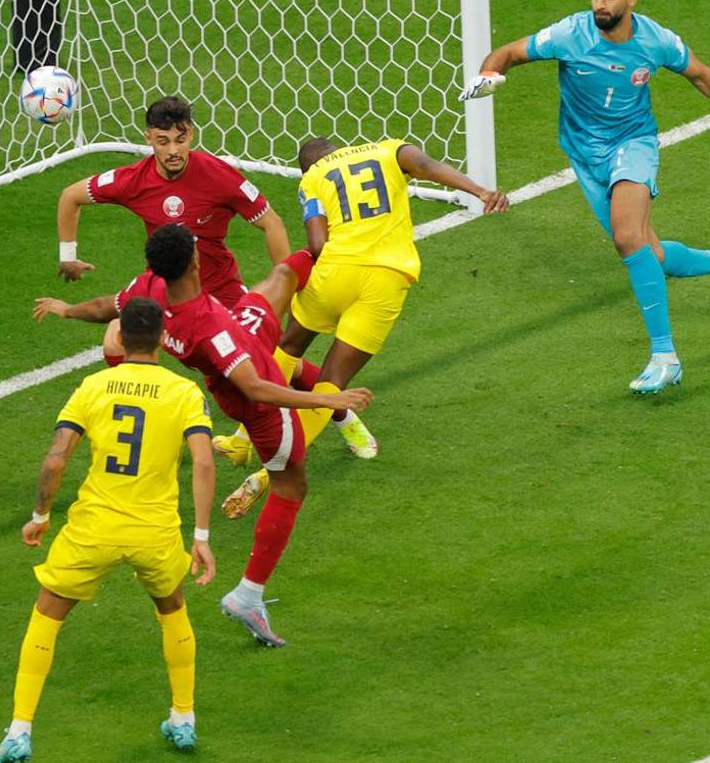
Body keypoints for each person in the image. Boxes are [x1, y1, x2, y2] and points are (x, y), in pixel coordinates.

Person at [32, 224, 373, 648]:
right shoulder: (210, 328)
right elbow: (256, 389)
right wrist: (328, 399)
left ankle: (344, 247)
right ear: (195, 260)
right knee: (291, 483)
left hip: (241, 339)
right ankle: (248, 594)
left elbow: (107, 307)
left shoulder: (151, 287)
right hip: (259, 405)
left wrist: (67, 309)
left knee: (284, 276)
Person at [461, 0, 710, 394]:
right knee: (651, 255)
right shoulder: (571, 34)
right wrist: (490, 75)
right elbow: (509, 52)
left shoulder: (655, 40)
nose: (599, 4)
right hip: (585, 157)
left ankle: (665, 357)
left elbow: (699, 74)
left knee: (628, 238)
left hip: (633, 145)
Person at [52, 94, 377, 455]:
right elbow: (70, 196)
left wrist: (287, 283)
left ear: (191, 134)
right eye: (163, 141)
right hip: (167, 293)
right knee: (115, 340)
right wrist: (68, 257)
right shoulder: (132, 180)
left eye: (180, 139)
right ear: (148, 139)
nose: (173, 150)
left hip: (221, 296)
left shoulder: (219, 176)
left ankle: (344, 417)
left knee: (276, 363)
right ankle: (150, 426)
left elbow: (271, 224)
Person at [215, 136, 510, 510]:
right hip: (387, 280)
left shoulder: (312, 179)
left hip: (336, 272)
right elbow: (427, 166)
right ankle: (266, 474)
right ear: (340, 148)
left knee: (289, 345)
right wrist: (480, 190)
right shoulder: (388, 149)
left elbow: (318, 242)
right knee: (333, 384)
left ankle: (242, 439)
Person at [0, 297, 218, 763]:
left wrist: (39, 516)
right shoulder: (184, 392)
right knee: (172, 608)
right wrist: (202, 537)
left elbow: (57, 458)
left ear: (121, 335)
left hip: (94, 528)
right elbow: (204, 461)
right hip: (154, 531)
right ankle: (184, 718)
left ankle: (19, 732)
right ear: (161, 337)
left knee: (48, 614)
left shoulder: (93, 386)